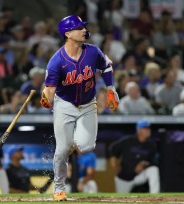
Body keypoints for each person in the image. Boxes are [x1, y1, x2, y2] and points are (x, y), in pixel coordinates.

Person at [39, 15, 119, 201]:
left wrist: (110, 89)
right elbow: (49, 91)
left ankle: (68, 144)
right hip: (64, 105)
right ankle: (59, 189)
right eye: (79, 28)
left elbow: (106, 66)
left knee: (87, 146)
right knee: (62, 149)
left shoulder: (93, 52)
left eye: (83, 27)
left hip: (88, 104)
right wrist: (46, 99)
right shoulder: (56, 61)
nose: (84, 30)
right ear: (67, 33)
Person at [109, 120, 160, 193]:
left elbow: (153, 161)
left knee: (154, 170)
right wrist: (114, 164)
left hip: (138, 176)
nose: (148, 130)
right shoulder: (128, 141)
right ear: (139, 130)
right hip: (124, 178)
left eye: (149, 128)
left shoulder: (151, 145)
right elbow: (113, 148)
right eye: (145, 128)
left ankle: (155, 198)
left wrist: (144, 164)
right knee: (122, 200)